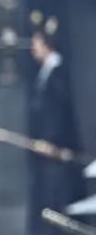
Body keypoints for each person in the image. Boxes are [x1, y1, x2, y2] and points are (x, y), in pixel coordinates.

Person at [28, 24, 84, 235]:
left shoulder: (58, 72)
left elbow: (60, 113)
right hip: (47, 151)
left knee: (57, 202)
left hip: (57, 152)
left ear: (46, 44)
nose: (33, 48)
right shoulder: (47, 72)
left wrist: (53, 142)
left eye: (36, 42)